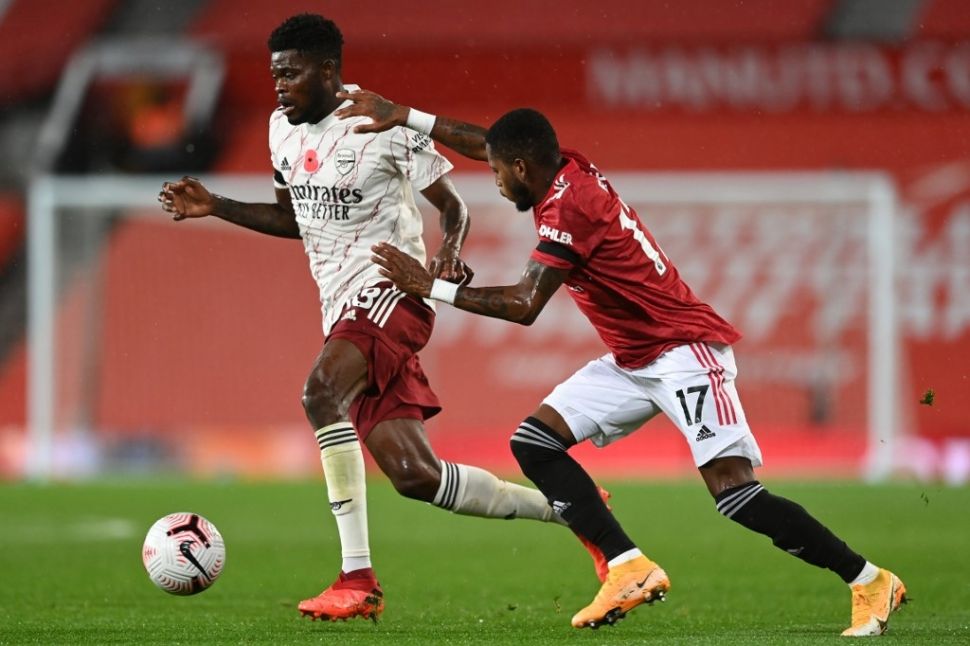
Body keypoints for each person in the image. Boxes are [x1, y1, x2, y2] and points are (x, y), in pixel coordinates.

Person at [336, 90, 908, 636]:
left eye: (495, 172)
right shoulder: (563, 168)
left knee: (735, 494)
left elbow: (524, 305)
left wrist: (429, 287)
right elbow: (490, 140)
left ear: (521, 168)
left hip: (684, 351)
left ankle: (870, 580)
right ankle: (628, 565)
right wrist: (406, 115)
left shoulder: (569, 207)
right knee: (534, 442)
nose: (493, 179)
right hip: (635, 359)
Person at [157, 14, 604, 623]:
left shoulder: (381, 124)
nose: (279, 87)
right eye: (274, 75)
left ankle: (356, 577)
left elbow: (453, 206)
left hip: (393, 292)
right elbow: (295, 219)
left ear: (328, 71)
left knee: (320, 394)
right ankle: (575, 509)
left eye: (290, 74)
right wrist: (217, 206)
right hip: (339, 306)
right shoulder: (278, 131)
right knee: (415, 476)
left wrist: (447, 251)